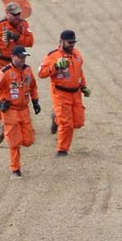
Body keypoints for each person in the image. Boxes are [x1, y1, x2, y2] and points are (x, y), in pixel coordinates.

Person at [0, 2, 34, 136]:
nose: (18, 16)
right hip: (2, 63)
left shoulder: (24, 25)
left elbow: (30, 42)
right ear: (7, 14)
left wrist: (16, 37)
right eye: (14, 14)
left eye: (19, 13)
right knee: (8, 92)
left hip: (19, 64)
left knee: (14, 92)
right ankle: (4, 123)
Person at [0, 45, 40, 177]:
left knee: (28, 141)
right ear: (13, 57)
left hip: (24, 110)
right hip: (10, 110)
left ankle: (3, 129)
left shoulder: (28, 70)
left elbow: (33, 86)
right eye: (20, 57)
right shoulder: (4, 73)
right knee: (15, 143)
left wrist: (35, 101)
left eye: (24, 57)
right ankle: (15, 170)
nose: (23, 59)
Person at [37, 29, 89, 157]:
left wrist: (83, 86)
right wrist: (56, 66)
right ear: (61, 42)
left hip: (75, 93)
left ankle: (55, 119)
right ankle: (62, 150)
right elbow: (41, 73)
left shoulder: (77, 55)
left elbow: (79, 72)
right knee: (66, 124)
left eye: (73, 42)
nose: (72, 45)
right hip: (61, 94)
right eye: (69, 42)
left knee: (79, 122)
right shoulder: (52, 56)